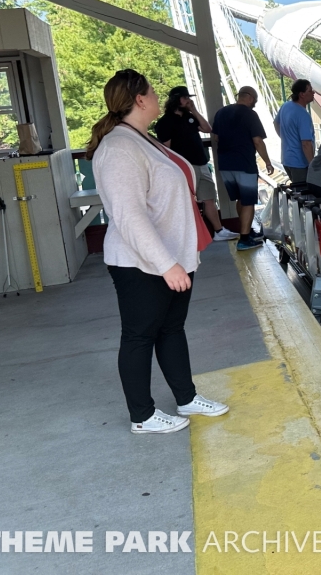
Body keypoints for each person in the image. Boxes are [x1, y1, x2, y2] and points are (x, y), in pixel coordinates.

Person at [87, 69, 228, 435]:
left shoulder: (142, 139)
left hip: (171, 257)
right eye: (151, 91)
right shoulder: (119, 147)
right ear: (139, 99)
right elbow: (128, 215)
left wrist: (177, 259)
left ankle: (186, 397)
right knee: (139, 336)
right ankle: (143, 416)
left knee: (171, 329)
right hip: (142, 263)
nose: (156, 96)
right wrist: (167, 265)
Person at [154, 86, 237, 242]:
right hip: (185, 166)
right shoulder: (165, 122)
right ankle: (189, 234)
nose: (188, 100)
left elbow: (207, 128)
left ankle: (218, 230)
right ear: (175, 100)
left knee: (209, 198)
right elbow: (166, 149)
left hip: (201, 162)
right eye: (185, 98)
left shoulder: (190, 117)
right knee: (187, 201)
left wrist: (194, 110)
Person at [212, 86, 274, 252]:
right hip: (244, 163)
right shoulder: (250, 114)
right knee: (248, 201)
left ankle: (246, 231)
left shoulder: (221, 113)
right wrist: (267, 162)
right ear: (251, 98)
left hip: (225, 164)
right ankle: (244, 240)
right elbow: (257, 141)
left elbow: (216, 137)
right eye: (255, 100)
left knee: (240, 199)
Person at [275, 79, 315, 184]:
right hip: (300, 163)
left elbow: (276, 123)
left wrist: (286, 138)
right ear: (302, 94)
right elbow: (306, 143)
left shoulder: (285, 106)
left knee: (296, 190)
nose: (313, 92)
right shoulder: (303, 115)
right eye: (310, 91)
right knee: (303, 191)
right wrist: (313, 166)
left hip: (287, 159)